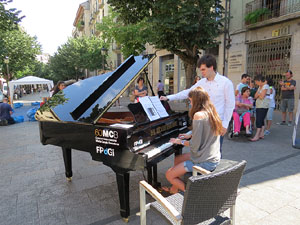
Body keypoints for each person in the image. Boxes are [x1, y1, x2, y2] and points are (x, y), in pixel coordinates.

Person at [160, 54, 235, 151]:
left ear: (211, 67)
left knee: (214, 152)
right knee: (200, 150)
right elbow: (188, 92)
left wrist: (225, 125)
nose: (201, 72)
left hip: (217, 123)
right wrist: (168, 98)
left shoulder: (226, 83)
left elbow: (230, 105)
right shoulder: (202, 82)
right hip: (203, 122)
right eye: (200, 69)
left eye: (203, 69)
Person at [163, 87, 222, 193]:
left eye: (190, 101)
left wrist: (179, 141)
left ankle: (192, 194)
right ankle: (174, 189)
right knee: (178, 160)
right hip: (212, 156)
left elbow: (194, 145)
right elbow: (206, 133)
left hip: (204, 161)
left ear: (196, 101)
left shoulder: (198, 115)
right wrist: (189, 135)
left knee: (169, 175)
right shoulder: (211, 112)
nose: (190, 104)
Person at [250, 75, 270, 142]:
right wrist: (259, 94)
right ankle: (261, 134)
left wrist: (259, 94)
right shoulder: (260, 87)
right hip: (259, 105)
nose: (256, 83)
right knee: (261, 119)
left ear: (260, 81)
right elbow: (255, 96)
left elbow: (261, 97)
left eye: (256, 82)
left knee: (259, 120)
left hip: (263, 105)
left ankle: (257, 135)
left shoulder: (266, 86)